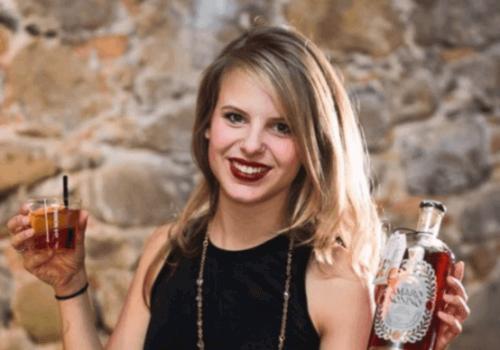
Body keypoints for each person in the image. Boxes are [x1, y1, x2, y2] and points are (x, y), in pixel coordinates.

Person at [8, 25, 469, 350]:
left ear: (313, 147)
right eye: (235, 117)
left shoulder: (337, 280)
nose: (251, 146)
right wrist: (70, 285)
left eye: (281, 127)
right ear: (207, 125)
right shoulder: (165, 251)